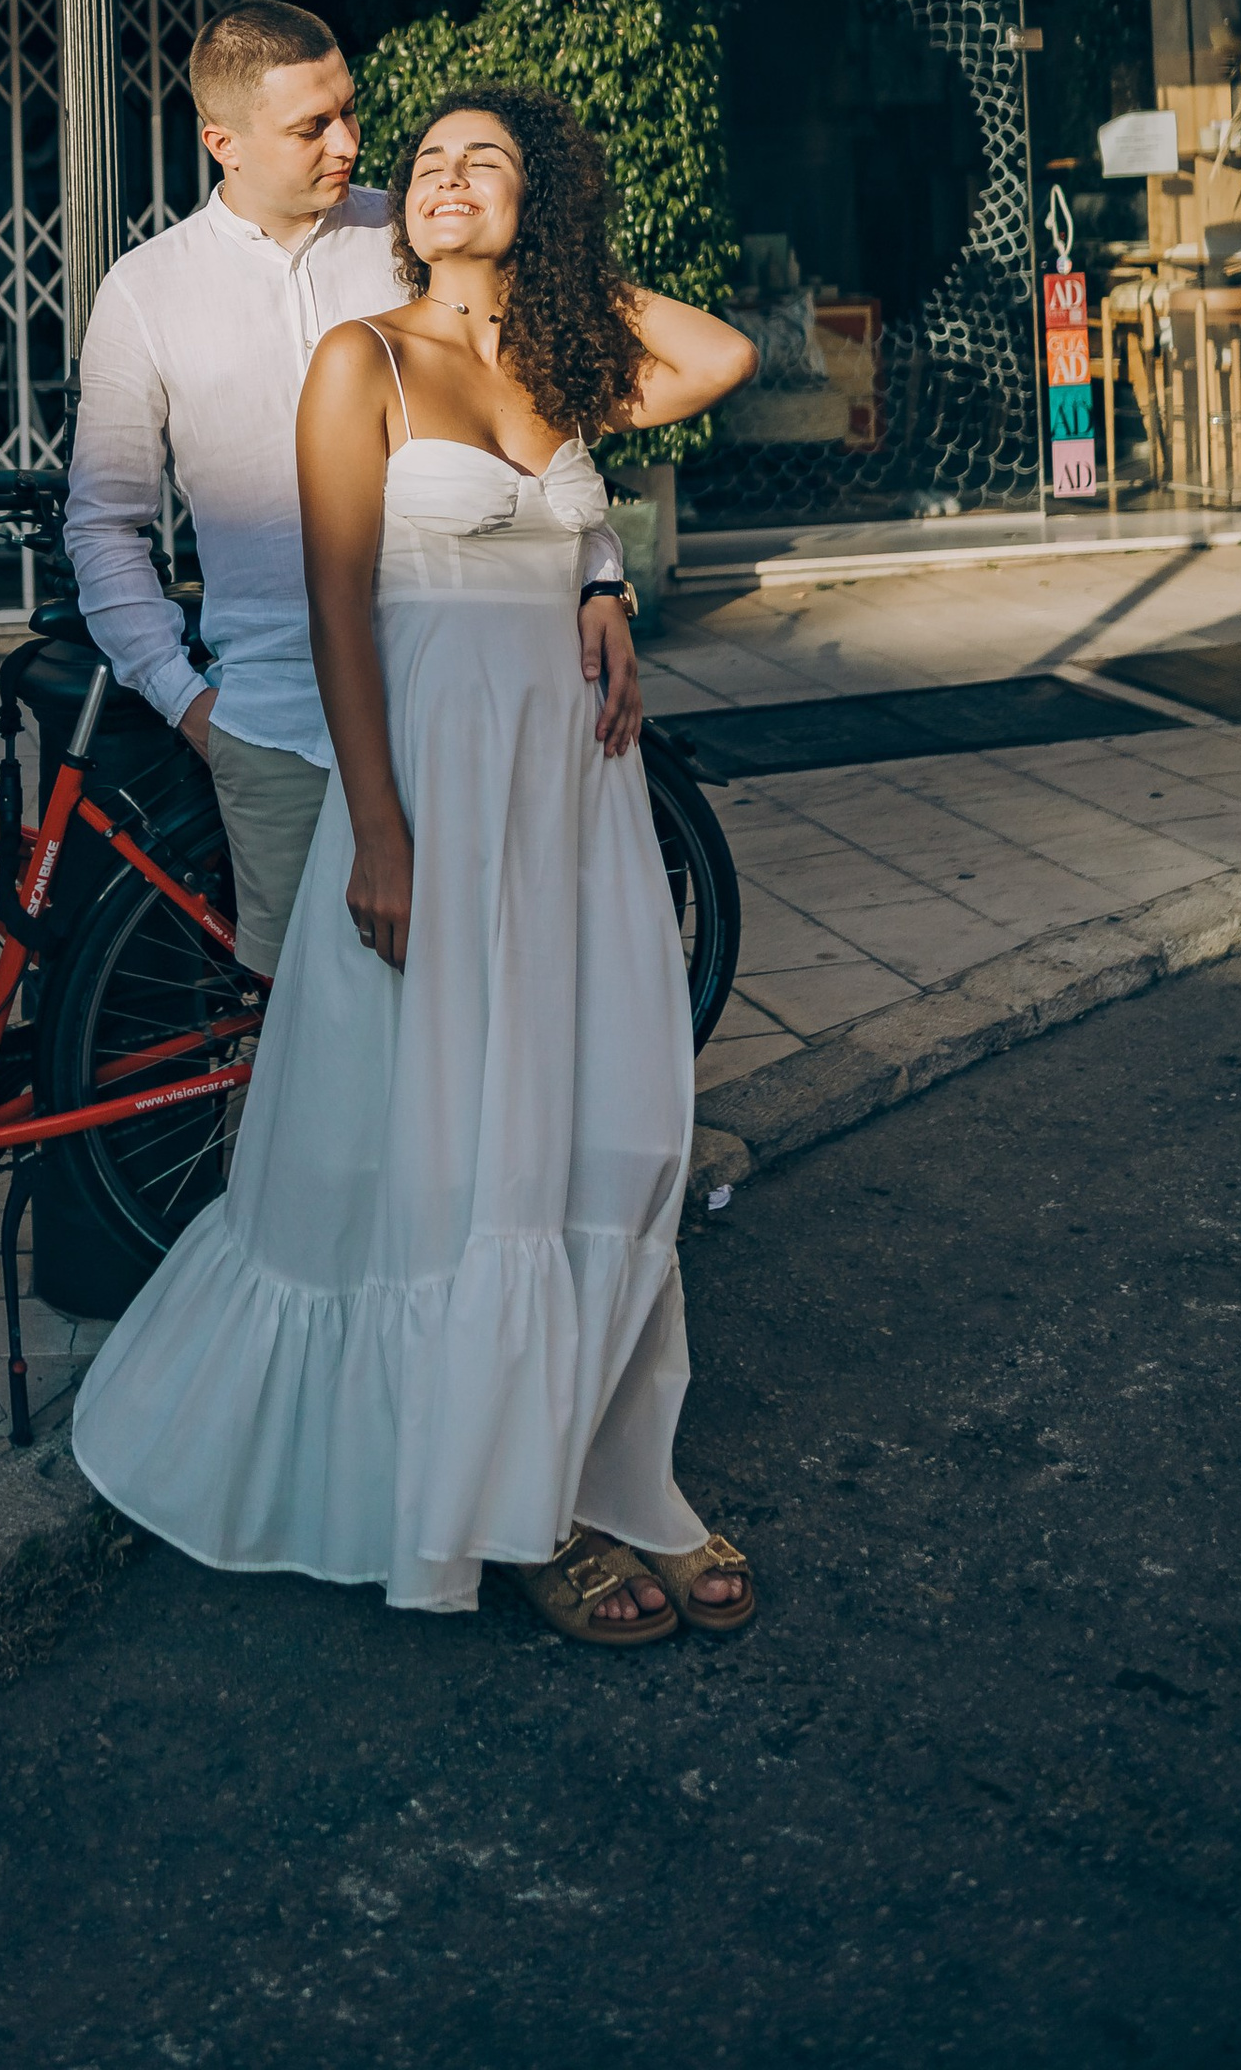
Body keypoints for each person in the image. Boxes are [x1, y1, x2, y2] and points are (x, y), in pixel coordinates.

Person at [72, 81, 763, 1641]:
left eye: (485, 164)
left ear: (542, 207)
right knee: (472, 1146)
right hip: (435, 797)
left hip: (575, 805)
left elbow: (722, 356)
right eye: (427, 160)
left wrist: (602, 579)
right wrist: (377, 828)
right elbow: (335, 609)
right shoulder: (362, 357)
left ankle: (605, 1466)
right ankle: (511, 1513)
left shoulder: (566, 365)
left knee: (606, 1115)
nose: (442, 178)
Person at [64, 3, 636, 981]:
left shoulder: (407, 237)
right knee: (305, 1023)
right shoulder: (147, 291)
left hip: (464, 702)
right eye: (310, 127)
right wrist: (186, 700)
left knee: (487, 992)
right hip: (279, 724)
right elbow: (105, 520)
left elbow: (535, 409)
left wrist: (599, 578)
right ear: (223, 143)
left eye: (349, 112)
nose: (348, 143)